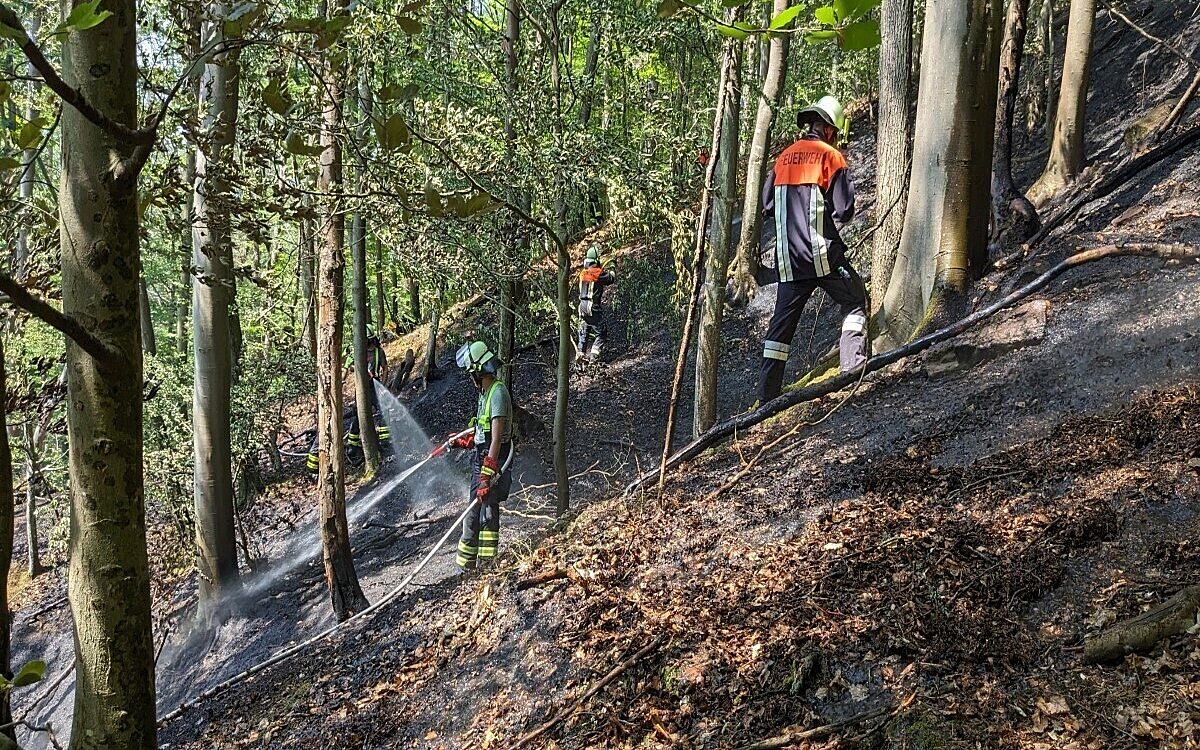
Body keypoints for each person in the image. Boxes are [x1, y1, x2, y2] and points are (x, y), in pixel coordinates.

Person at [757, 95, 867, 403]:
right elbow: (844, 211)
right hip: (823, 258)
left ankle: (767, 399)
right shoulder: (830, 158)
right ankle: (852, 372)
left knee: (779, 330)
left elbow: (766, 205)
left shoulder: (782, 159)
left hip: (790, 261)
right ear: (830, 130)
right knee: (855, 300)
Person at [448, 340, 514, 571]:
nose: (470, 379)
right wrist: (466, 440)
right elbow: (483, 430)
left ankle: (486, 564)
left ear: (477, 372)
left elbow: (496, 438)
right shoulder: (485, 393)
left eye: (470, 374)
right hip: (482, 457)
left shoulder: (497, 393)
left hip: (492, 459)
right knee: (474, 512)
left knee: (486, 512)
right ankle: (467, 567)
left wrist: (487, 473)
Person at [575, 244, 617, 367]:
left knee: (583, 335)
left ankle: (580, 363)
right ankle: (593, 358)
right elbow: (611, 278)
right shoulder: (597, 273)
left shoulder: (583, 273)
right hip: (593, 309)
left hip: (582, 309)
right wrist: (613, 266)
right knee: (601, 333)